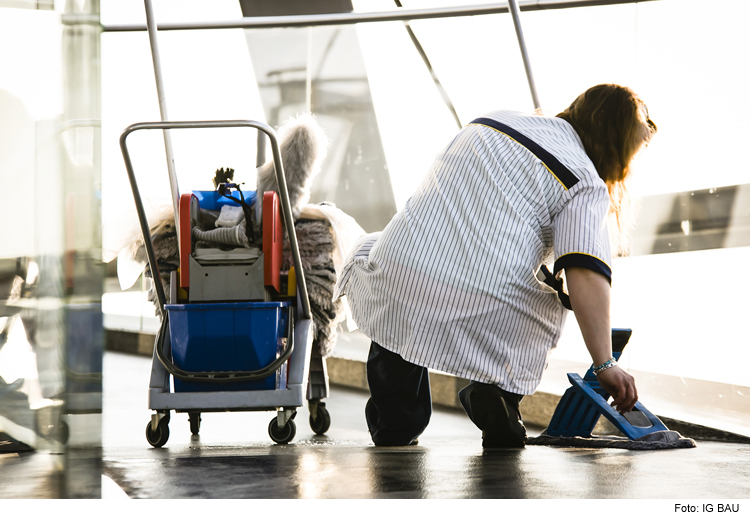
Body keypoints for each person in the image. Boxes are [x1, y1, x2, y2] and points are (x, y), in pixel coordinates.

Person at [333, 84, 657, 448]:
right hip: (481, 302)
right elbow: (584, 272)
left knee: (398, 280)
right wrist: (603, 363)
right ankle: (497, 392)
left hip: (400, 272)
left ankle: (396, 421)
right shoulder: (583, 179)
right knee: (549, 303)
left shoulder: (492, 121)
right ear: (615, 146)